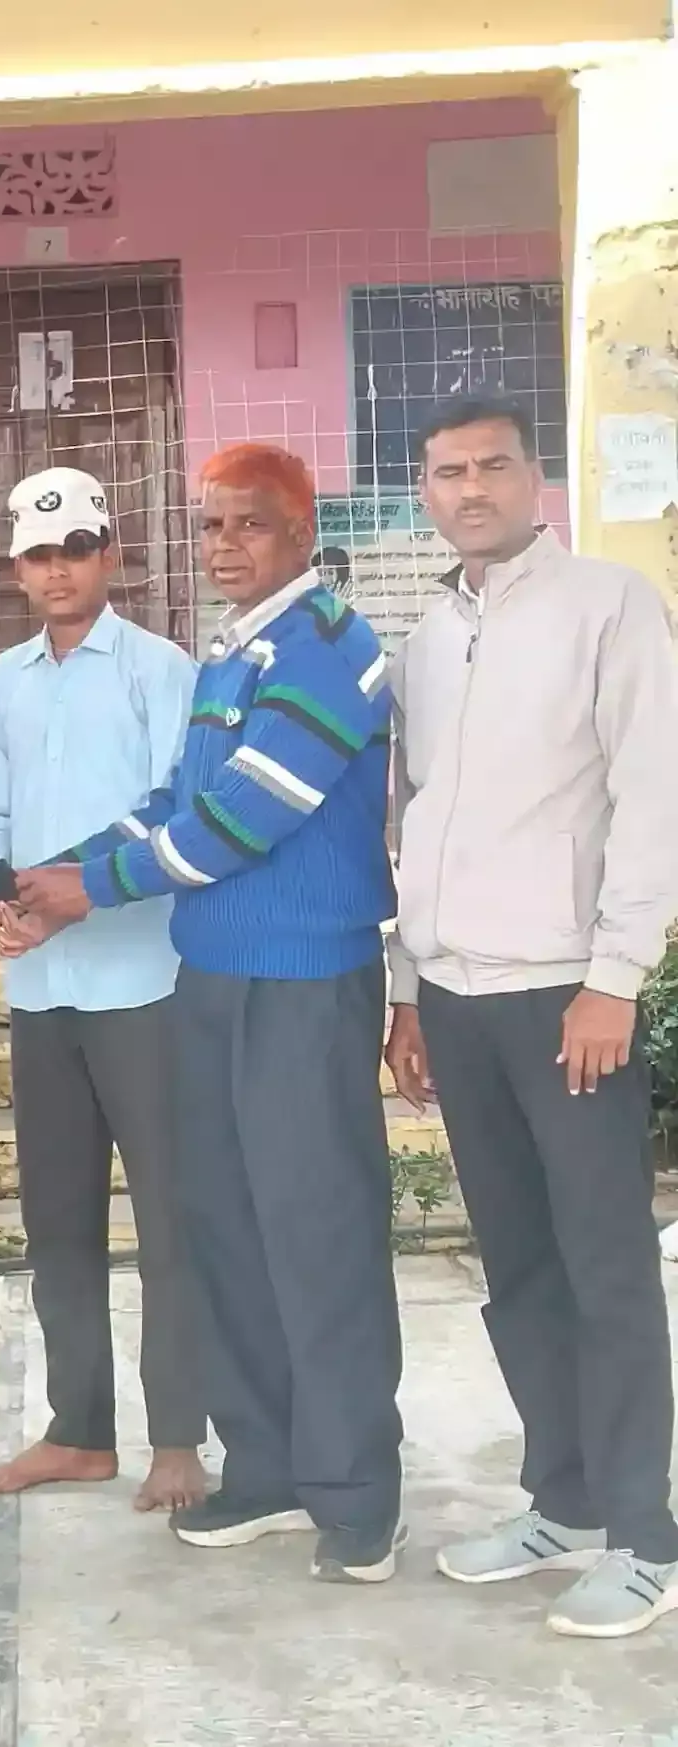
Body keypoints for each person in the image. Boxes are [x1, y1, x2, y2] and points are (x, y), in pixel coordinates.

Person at [18, 443, 406, 1585]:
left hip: (302, 987)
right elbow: (173, 803)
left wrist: (93, 889)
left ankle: (355, 1494)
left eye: (250, 524)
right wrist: (61, 872)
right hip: (212, 981)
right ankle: (268, 1466)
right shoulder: (231, 655)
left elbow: (244, 818)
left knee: (318, 1235)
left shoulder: (331, 648)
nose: (224, 545)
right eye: (211, 526)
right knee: (227, 1230)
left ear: (302, 531)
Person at [384, 396, 678, 1639]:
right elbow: (413, 814)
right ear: (425, 492)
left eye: (492, 466)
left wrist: (615, 974)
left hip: (567, 998)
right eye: (447, 471)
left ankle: (645, 1536)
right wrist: (406, 991)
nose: (470, 489)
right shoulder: (425, 637)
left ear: (533, 476)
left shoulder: (608, 607)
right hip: (457, 999)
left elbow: (653, 793)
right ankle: (562, 1501)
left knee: (605, 1265)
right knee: (517, 1267)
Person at [0, 466, 206, 1512]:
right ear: (16, 568)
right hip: (41, 989)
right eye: (38, 555)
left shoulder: (160, 669)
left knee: (171, 1220)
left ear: (110, 555)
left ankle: (178, 1436)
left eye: (76, 550)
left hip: (144, 982)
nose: (58, 571)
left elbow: (174, 812)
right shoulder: (3, 681)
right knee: (57, 1221)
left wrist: (72, 896)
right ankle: (78, 1431)